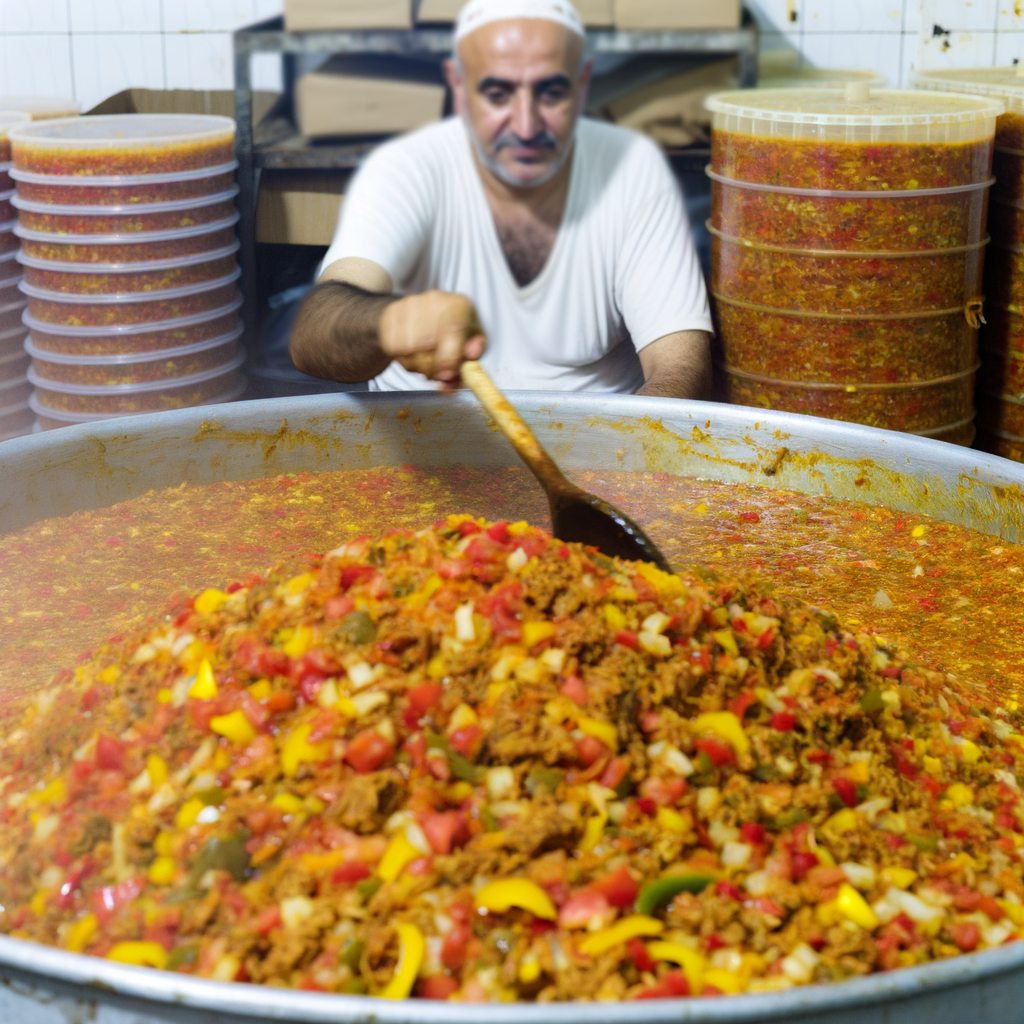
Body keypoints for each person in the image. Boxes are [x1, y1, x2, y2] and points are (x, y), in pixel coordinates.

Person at [290, 0, 713, 397]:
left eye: (550, 92)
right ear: (459, 86)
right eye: (497, 94)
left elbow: (681, 369)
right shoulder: (405, 172)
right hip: (419, 449)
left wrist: (624, 468)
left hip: (597, 453)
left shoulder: (630, 174)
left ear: (582, 84)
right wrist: (386, 324)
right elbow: (314, 332)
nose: (526, 127)